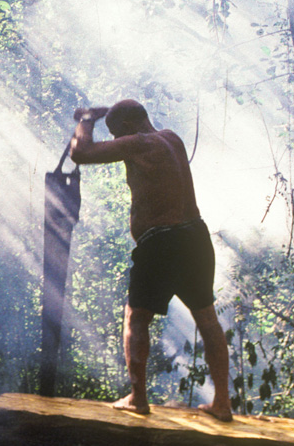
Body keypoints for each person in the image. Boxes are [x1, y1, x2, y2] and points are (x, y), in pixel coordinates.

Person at [70, 99, 232, 419]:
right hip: (196, 236)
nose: (118, 143)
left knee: (137, 318)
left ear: (128, 129)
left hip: (162, 242)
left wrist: (87, 120)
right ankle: (223, 403)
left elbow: (81, 153)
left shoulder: (138, 142)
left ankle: (137, 398)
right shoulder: (172, 138)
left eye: (117, 135)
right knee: (207, 318)